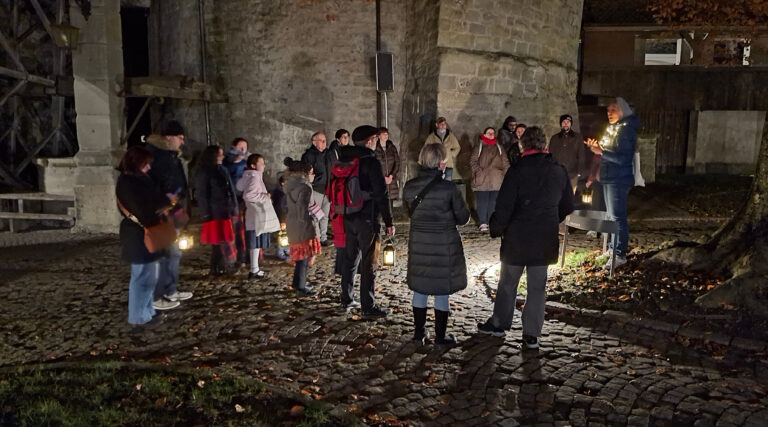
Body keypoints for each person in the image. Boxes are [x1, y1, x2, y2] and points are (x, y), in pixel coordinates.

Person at [477, 126, 574, 349]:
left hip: (517, 237)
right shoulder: (558, 171)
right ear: (544, 145)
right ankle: (531, 334)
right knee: (537, 287)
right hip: (543, 237)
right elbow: (568, 204)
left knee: (508, 283)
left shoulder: (518, 171)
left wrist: (496, 228)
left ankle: (499, 323)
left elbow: (504, 206)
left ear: (524, 145)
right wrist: (551, 218)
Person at [403, 143, 470, 345]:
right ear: (441, 163)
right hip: (444, 245)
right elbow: (463, 217)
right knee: (442, 289)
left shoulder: (410, 186)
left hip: (420, 243)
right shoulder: (449, 189)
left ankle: (419, 333)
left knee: (420, 287)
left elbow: (408, 213)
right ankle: (440, 337)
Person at [116, 146, 178, 325]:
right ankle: (138, 317)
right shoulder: (128, 182)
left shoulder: (140, 180)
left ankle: (148, 311)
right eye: (146, 164)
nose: (149, 168)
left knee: (149, 276)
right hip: (139, 235)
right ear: (137, 163)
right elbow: (144, 209)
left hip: (146, 233)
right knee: (142, 277)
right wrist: (162, 205)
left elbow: (156, 199)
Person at [337, 125, 395, 318]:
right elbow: (381, 194)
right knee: (369, 262)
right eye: (376, 139)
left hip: (347, 215)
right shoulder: (370, 161)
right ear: (370, 141)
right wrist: (388, 221)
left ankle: (347, 297)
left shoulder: (344, 158)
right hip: (367, 219)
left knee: (350, 259)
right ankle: (368, 306)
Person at [585, 97, 639, 270]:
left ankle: (619, 254)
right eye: (608, 110)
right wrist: (598, 147)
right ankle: (612, 248)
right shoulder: (614, 128)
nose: (609, 113)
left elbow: (623, 158)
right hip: (609, 178)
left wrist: (601, 152)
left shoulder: (626, 130)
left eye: (613, 109)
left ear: (623, 110)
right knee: (610, 216)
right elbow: (610, 150)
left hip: (619, 179)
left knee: (617, 218)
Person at [144, 120, 193, 309]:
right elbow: (150, 183)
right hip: (162, 211)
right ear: (169, 137)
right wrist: (164, 198)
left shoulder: (171, 156)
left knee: (174, 253)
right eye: (180, 138)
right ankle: (158, 295)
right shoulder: (155, 156)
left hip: (173, 209)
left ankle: (170, 290)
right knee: (163, 253)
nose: (182, 142)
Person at [195, 145, 240, 276]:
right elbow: (202, 194)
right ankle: (219, 267)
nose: (223, 156)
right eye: (220, 153)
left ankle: (222, 265)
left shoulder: (222, 169)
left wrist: (234, 206)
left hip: (226, 210)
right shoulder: (205, 172)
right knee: (218, 240)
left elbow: (230, 189)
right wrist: (206, 213)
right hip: (215, 211)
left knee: (225, 238)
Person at [237, 154, 281, 279]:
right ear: (253, 165)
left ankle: (254, 269)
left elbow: (239, 186)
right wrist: (264, 197)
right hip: (256, 215)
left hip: (253, 215)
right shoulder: (254, 178)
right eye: (261, 163)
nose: (264, 165)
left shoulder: (249, 176)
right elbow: (249, 195)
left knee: (255, 244)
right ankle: (253, 269)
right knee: (255, 243)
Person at [283, 157, 321, 297]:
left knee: (301, 257)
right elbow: (302, 209)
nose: (313, 175)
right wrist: (309, 224)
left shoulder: (290, 184)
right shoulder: (305, 187)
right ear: (305, 173)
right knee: (304, 257)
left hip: (292, 222)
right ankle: (300, 286)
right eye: (311, 173)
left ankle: (297, 282)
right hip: (302, 224)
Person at [470, 127, 510, 231]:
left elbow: (505, 162)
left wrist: (506, 175)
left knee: (493, 201)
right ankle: (483, 222)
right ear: (484, 134)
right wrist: (479, 172)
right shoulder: (478, 146)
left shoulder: (499, 147)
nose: (491, 135)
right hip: (482, 179)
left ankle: (491, 221)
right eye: (489, 133)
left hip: (496, 179)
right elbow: (473, 161)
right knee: (482, 201)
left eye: (493, 133)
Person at [301, 132, 332, 246]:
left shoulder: (328, 154)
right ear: (314, 142)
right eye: (321, 141)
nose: (324, 143)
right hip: (316, 189)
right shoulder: (308, 156)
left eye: (325, 141)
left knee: (324, 215)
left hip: (327, 189)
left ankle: (323, 238)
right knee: (315, 215)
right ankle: (316, 239)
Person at [223, 137, 250, 265]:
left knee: (244, 229)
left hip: (243, 200)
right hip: (230, 201)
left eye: (244, 147)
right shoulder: (225, 164)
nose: (243, 150)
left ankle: (244, 255)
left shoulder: (245, 164)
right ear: (233, 147)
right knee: (233, 230)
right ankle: (233, 257)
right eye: (240, 147)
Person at [549, 114, 590, 193]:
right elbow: (551, 155)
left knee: (570, 195)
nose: (566, 124)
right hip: (558, 173)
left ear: (571, 123)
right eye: (564, 122)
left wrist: (580, 171)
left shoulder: (577, 137)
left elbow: (581, 155)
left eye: (568, 122)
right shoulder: (554, 138)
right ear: (561, 124)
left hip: (572, 173)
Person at [374, 127, 401, 202]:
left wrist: (391, 175)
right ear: (379, 136)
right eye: (384, 134)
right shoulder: (375, 148)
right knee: (380, 202)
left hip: (391, 180)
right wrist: (383, 177)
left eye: (387, 134)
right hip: (380, 181)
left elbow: (397, 162)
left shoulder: (391, 147)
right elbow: (374, 165)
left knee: (391, 202)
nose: (386, 136)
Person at [271, 175, 290, 260]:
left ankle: (286, 250)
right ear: (282, 183)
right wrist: (282, 220)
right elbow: (280, 208)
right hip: (282, 218)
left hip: (287, 217)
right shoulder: (281, 194)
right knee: (282, 236)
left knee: (287, 235)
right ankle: (281, 252)